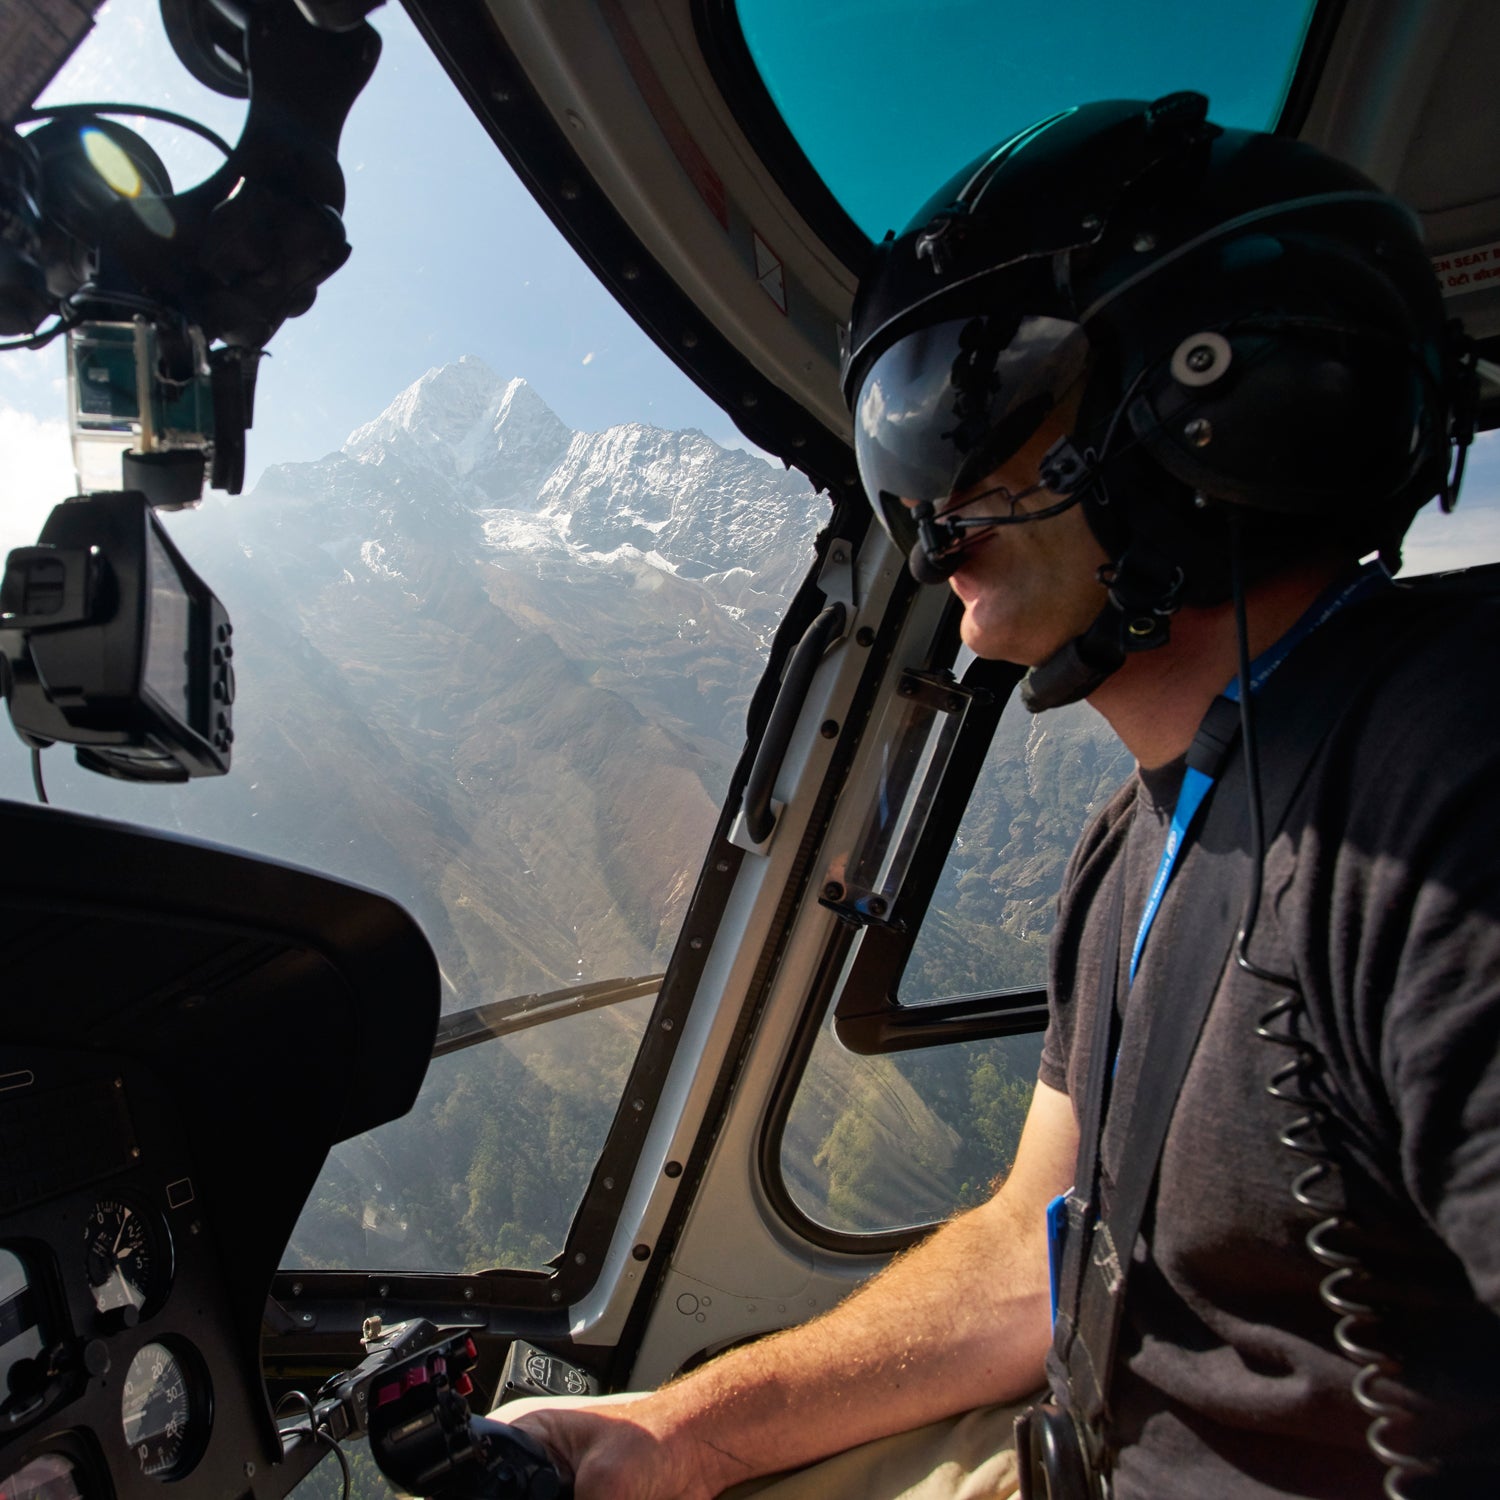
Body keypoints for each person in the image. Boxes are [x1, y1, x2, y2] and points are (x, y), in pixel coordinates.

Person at [502, 94, 1500, 1498]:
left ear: (1204, 399)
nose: (929, 507)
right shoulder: (1139, 840)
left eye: (965, 410)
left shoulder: (1451, 774)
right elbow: (1033, 1250)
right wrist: (680, 1434)